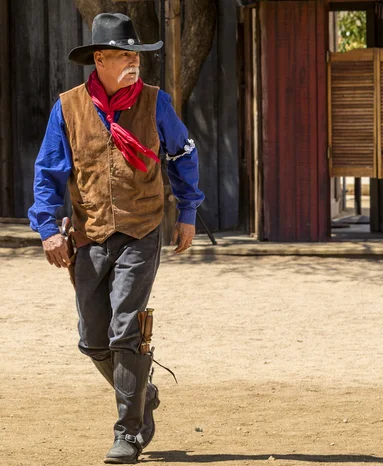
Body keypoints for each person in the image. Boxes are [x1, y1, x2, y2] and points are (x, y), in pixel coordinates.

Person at [27, 12, 204, 464]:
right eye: (124, 55)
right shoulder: (67, 107)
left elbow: (183, 154)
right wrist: (48, 229)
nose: (133, 62)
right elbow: (48, 172)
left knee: (126, 329)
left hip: (142, 229)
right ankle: (142, 391)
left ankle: (129, 432)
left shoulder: (155, 102)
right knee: (92, 339)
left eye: (136, 55)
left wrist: (187, 213)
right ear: (100, 59)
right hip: (88, 234)